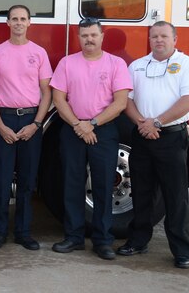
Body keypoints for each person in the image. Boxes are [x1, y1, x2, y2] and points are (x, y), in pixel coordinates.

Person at [116, 21, 189, 269]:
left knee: (175, 196)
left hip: (171, 137)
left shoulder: (188, 65)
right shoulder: (137, 66)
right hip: (142, 136)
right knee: (142, 193)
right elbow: (126, 100)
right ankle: (138, 241)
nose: (158, 40)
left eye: (164, 36)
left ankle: (181, 250)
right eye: (154, 36)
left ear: (175, 39)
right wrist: (143, 124)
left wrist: (157, 122)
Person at [50, 17, 132, 261]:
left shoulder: (116, 64)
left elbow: (120, 102)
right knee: (72, 184)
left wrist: (92, 124)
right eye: (84, 35)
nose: (89, 39)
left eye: (93, 35)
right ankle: (73, 237)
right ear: (79, 37)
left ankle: (103, 241)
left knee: (104, 185)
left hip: (103, 131)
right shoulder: (67, 63)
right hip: (73, 129)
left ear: (101, 36)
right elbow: (58, 98)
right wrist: (78, 124)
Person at [0, 5, 52, 251]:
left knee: (27, 181)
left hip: (30, 120)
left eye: (23, 19)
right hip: (4, 119)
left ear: (29, 23)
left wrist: (37, 124)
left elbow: (47, 92)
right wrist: (0, 126)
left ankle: (24, 233)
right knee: (1, 182)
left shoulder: (39, 53)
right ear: (7, 23)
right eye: (14, 19)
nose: (18, 23)